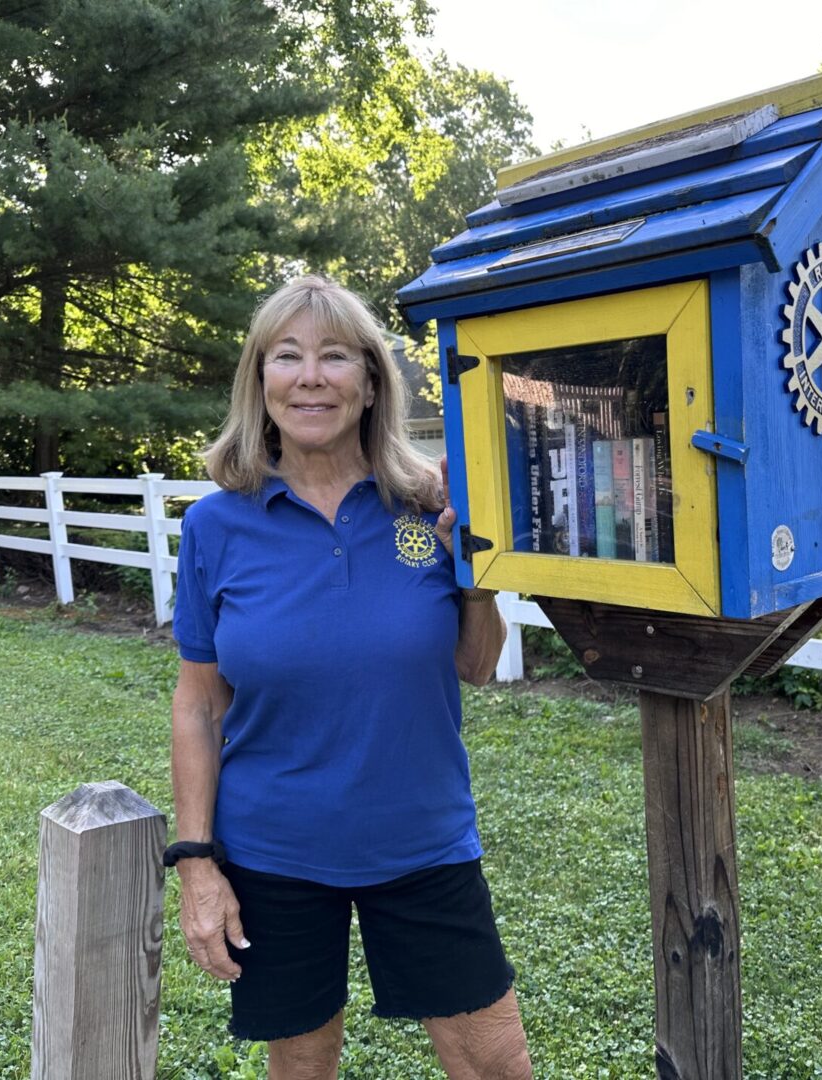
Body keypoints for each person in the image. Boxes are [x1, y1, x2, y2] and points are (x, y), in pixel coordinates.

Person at [167, 274, 532, 1080]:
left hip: (424, 841)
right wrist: (197, 864)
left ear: (370, 383)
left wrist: (474, 574)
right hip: (276, 850)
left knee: (497, 1067)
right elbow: (199, 705)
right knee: (302, 1066)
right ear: (259, 381)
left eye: (334, 357)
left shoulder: (429, 504)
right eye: (287, 356)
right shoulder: (215, 525)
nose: (310, 376)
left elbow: (476, 666)